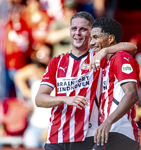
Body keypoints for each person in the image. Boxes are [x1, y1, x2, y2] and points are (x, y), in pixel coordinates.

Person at [35, 11, 137, 150]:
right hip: (56, 136)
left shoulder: (98, 57)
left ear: (91, 34)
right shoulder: (57, 62)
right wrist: (65, 99)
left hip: (86, 136)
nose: (77, 33)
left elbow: (131, 47)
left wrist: (105, 51)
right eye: (74, 29)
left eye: (83, 29)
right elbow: (39, 99)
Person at [90, 18, 140, 150]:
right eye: (91, 38)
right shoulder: (104, 62)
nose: (91, 42)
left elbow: (132, 94)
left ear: (111, 38)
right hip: (108, 132)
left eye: (95, 37)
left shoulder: (120, 57)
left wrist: (108, 121)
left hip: (119, 132)